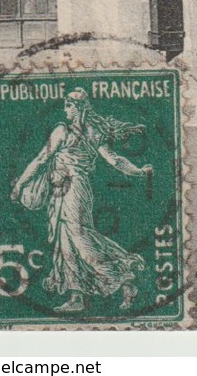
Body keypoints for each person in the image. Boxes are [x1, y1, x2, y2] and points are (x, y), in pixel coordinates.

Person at [10, 88, 151, 312]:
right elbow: (114, 160)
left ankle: (123, 275)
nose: (65, 109)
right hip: (62, 191)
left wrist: (19, 185)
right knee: (66, 243)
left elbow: (40, 159)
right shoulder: (90, 131)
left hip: (74, 190)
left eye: (69, 105)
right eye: (65, 105)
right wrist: (139, 171)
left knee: (80, 239)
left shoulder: (65, 131)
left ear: (79, 108)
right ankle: (77, 297)